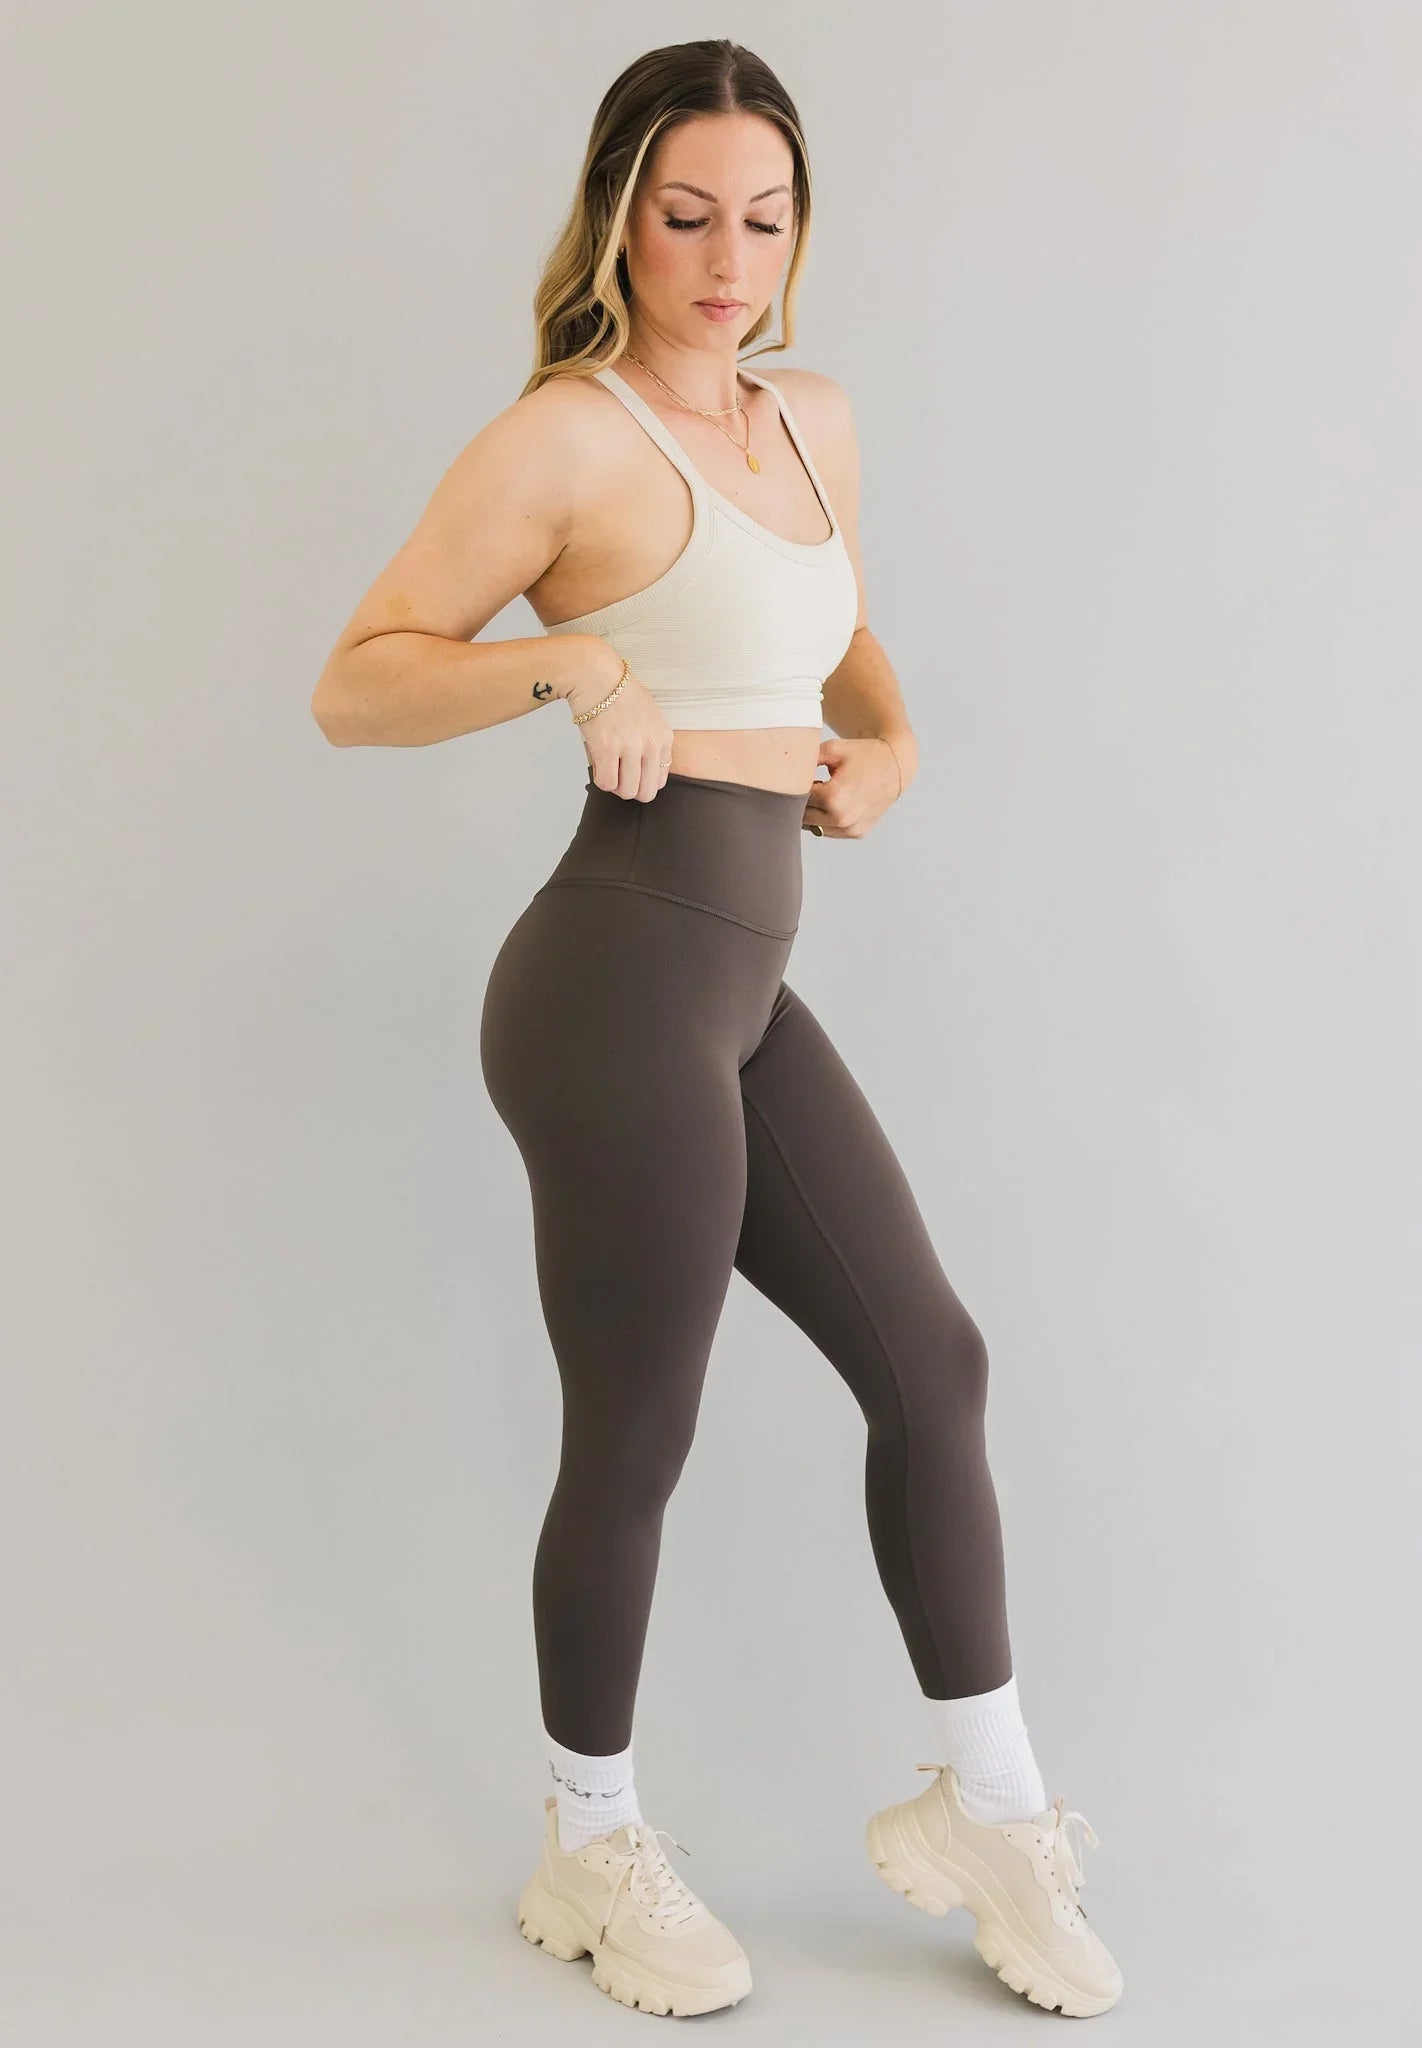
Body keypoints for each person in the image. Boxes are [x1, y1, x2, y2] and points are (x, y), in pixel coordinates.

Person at [311, 36, 1122, 2025]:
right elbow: (354, 680)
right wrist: (559, 661)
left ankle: (990, 1810)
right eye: (686, 215)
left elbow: (834, 629)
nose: (726, 255)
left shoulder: (813, 420)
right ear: (616, 215)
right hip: (608, 980)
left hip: (740, 976)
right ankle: (590, 1837)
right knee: (640, 1424)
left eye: (764, 217)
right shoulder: (566, 442)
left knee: (931, 1363)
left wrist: (898, 741)